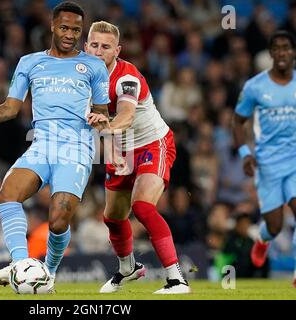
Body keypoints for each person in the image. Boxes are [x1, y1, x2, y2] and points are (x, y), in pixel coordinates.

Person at [0, 1, 110, 292]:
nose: (70, 34)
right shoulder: (29, 62)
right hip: (42, 145)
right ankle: (22, 265)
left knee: (58, 221)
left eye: (76, 29)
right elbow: (11, 109)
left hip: (75, 149)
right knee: (6, 194)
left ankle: (47, 271)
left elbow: (102, 112)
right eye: (64, 27)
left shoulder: (95, 67)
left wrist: (100, 119)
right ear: (52, 25)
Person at [85, 21, 190, 294]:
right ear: (85, 47)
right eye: (94, 45)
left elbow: (126, 115)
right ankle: (128, 268)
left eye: (105, 47)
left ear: (117, 51)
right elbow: (98, 121)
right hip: (120, 146)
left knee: (142, 208)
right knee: (113, 217)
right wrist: (111, 151)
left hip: (152, 144)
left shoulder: (126, 77)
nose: (98, 51)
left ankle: (177, 279)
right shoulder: (81, 79)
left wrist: (108, 130)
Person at [232, 30, 296, 288]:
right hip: (268, 164)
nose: (282, 52)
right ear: (271, 53)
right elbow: (238, 121)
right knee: (274, 225)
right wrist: (245, 154)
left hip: (295, 160)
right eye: (277, 48)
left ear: (293, 52)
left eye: (287, 48)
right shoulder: (255, 87)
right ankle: (262, 241)